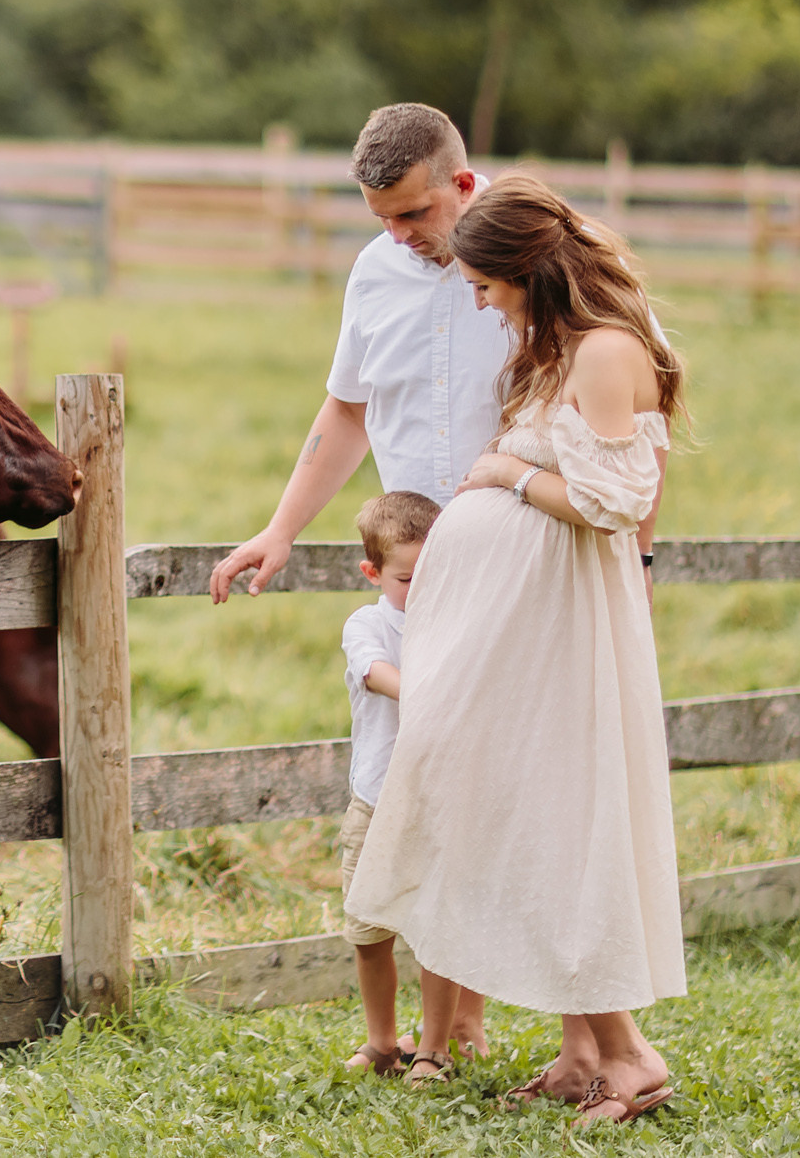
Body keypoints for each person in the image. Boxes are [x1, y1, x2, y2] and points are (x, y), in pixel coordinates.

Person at [342, 175, 687, 1123]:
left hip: (556, 624)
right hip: (522, 624)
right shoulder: (567, 349)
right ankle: (588, 1053)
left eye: (487, 283)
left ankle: (628, 1055)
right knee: (512, 811)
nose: (479, 298)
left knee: (546, 814)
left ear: (528, 271)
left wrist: (503, 472)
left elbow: (613, 500)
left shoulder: (609, 349)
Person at [209, 101, 506, 1063]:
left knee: (491, 793)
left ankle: (477, 1020)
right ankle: (441, 1027)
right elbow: (346, 409)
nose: (399, 235)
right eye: (380, 217)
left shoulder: (530, 246)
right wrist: (280, 527)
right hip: (417, 569)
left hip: (511, 555)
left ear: (462, 186)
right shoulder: (375, 272)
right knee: (419, 788)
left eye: (414, 215)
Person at [336, 490, 439, 1078]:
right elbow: (375, 674)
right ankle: (381, 1041)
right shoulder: (368, 623)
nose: (420, 590)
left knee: (436, 931)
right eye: (405, 579)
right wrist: (432, 690)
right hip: (376, 802)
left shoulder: (457, 621)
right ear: (372, 573)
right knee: (369, 930)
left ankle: (434, 1046)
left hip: (439, 803)